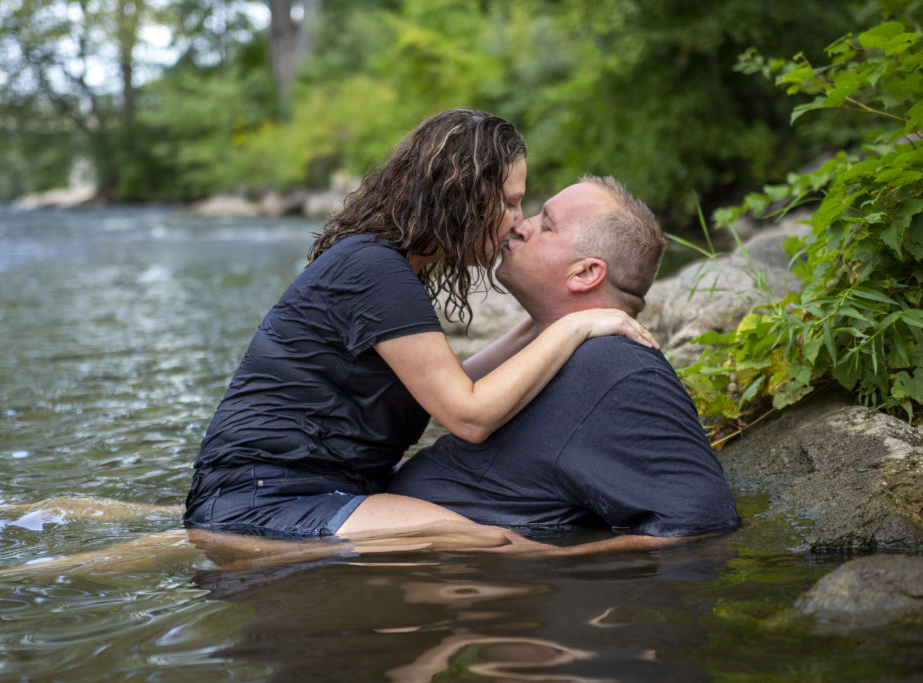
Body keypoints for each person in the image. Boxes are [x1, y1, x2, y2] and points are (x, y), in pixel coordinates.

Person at [183, 110, 656, 540]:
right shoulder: (374, 269)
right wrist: (572, 329)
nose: (516, 223)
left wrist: (546, 323)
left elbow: (451, 386)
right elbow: (467, 416)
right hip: (264, 497)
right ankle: (623, 564)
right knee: (487, 541)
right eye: (510, 203)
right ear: (462, 197)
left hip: (315, 489)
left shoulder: (385, 264)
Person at [389, 177, 740, 554]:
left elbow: (704, 519)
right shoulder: (561, 350)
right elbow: (448, 396)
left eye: (546, 225)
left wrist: (557, 558)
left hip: (410, 561)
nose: (518, 226)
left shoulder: (618, 368)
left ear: (586, 273)